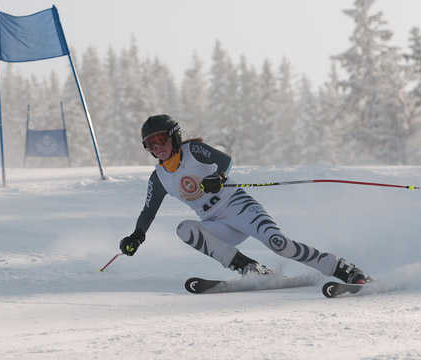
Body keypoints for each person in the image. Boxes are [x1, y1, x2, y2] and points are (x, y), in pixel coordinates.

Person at [119, 114, 370, 284]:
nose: (157, 147)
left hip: (239, 207)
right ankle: (249, 268)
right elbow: (148, 212)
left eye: (160, 139)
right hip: (216, 224)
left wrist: (218, 176)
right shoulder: (159, 177)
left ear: (173, 136)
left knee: (279, 244)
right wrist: (136, 237)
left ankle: (340, 268)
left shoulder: (192, 151)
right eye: (150, 144)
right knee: (184, 229)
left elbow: (225, 161)